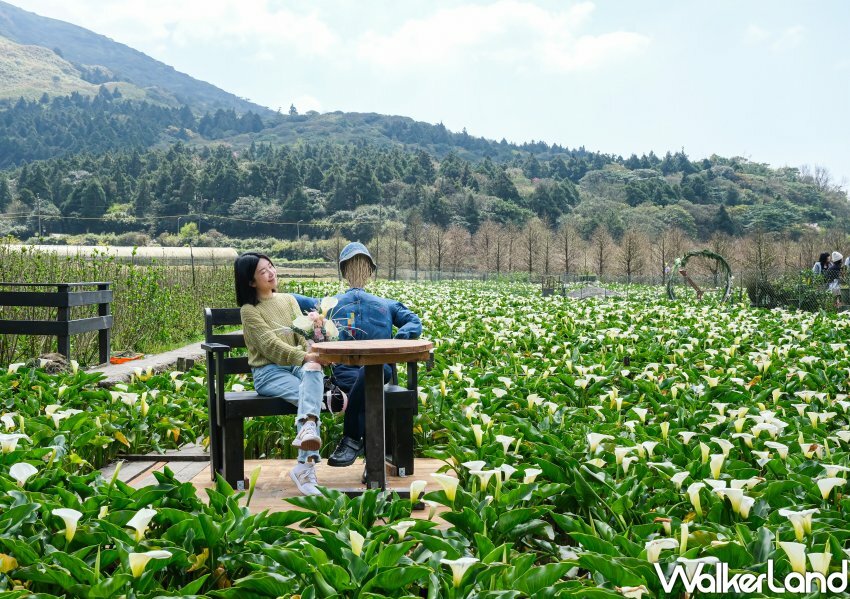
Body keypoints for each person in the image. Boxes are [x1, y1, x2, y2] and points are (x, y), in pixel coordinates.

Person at [293, 242, 422, 475]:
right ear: (371, 271)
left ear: (343, 271)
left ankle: (352, 438)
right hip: (353, 373)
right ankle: (372, 462)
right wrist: (399, 339)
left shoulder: (328, 303)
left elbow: (293, 299)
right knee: (369, 390)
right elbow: (414, 321)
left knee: (371, 373)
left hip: (371, 369)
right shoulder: (385, 304)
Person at [234, 252, 329, 496]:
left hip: (299, 365)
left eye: (271, 267)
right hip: (268, 372)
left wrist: (315, 335)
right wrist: (305, 356)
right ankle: (305, 468)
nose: (271, 272)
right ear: (251, 281)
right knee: (310, 396)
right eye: (263, 271)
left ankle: (305, 452)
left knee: (313, 370)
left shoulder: (288, 300)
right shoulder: (248, 310)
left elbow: (302, 337)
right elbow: (270, 346)